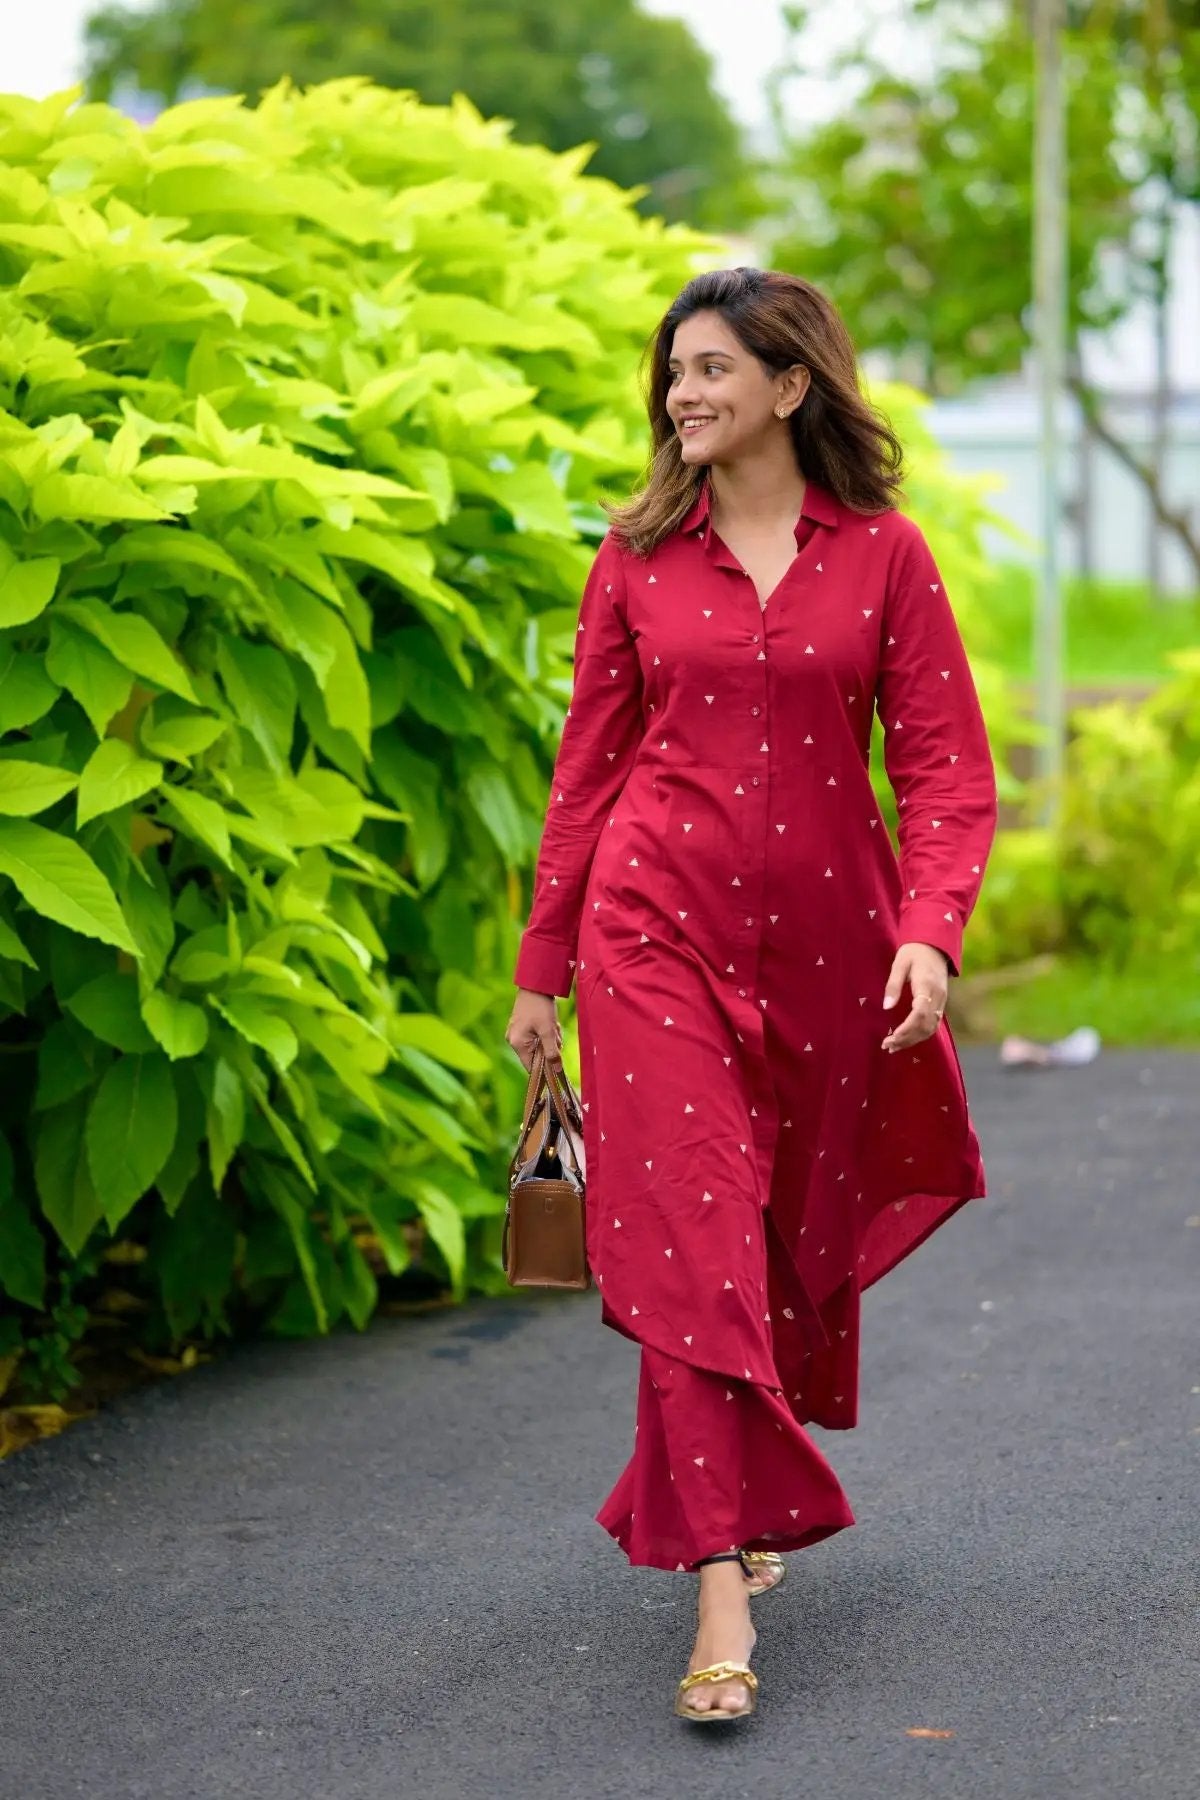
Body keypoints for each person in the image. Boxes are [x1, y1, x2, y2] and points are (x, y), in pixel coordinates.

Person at [504, 266, 998, 1726]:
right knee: (692, 1233)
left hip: (836, 950)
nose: (683, 395)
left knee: (775, 1245)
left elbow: (947, 771)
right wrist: (546, 971)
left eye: (713, 369)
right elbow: (589, 768)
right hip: (652, 933)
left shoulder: (886, 558)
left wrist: (932, 931)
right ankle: (720, 1584)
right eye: (674, 373)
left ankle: (729, 1488)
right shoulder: (639, 554)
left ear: (792, 386)